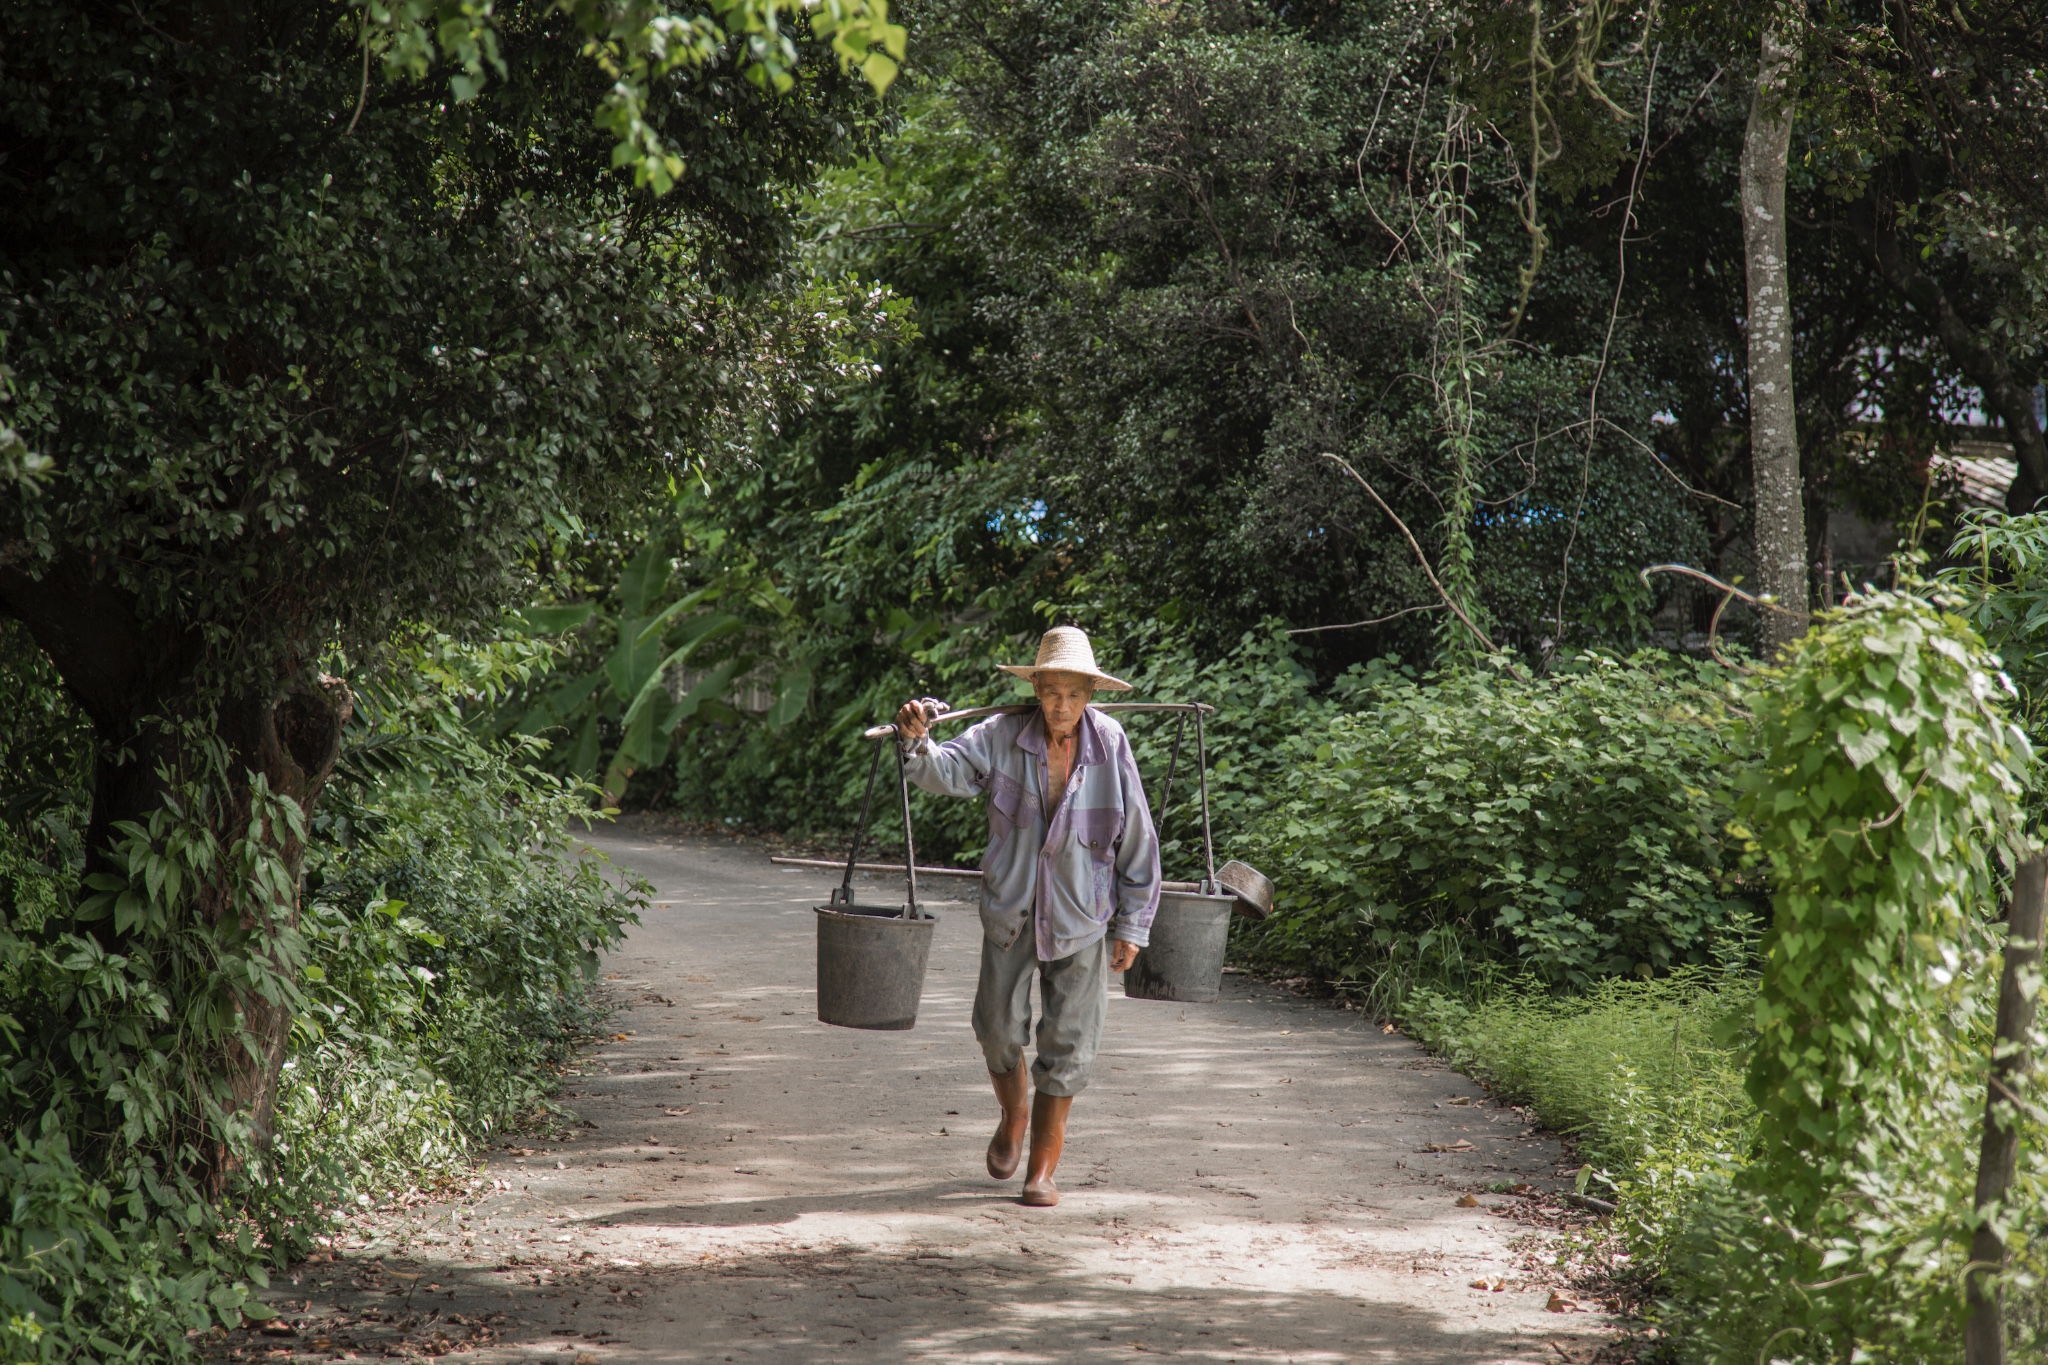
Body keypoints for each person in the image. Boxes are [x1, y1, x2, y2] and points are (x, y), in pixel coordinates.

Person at [896, 626, 1161, 1207]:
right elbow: (947, 770)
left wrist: (1133, 925)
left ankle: (1042, 1168)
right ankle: (1014, 1114)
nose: (1061, 706)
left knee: (1068, 1043)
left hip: (1083, 916)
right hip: (1012, 911)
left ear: (1090, 693)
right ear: (1036, 688)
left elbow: (1137, 837)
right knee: (995, 1028)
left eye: (1073, 694)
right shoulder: (1000, 734)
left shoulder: (1110, 743)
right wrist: (917, 741)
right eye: (1050, 692)